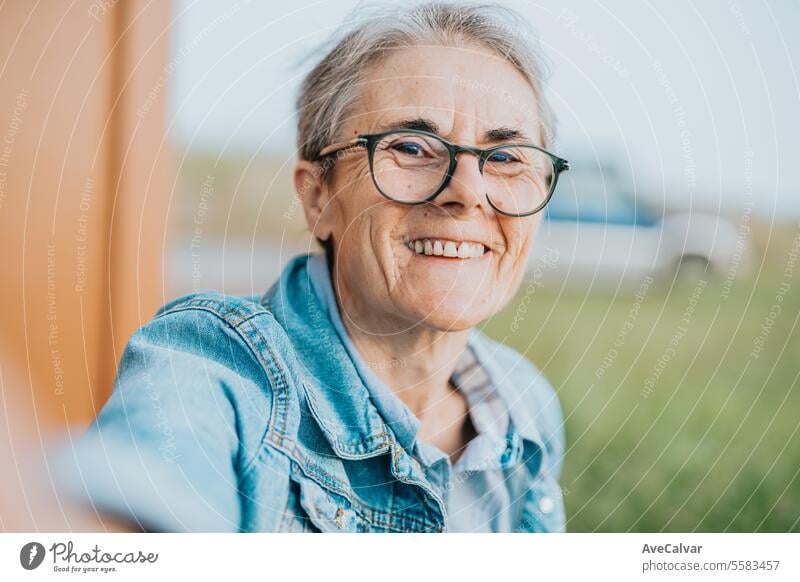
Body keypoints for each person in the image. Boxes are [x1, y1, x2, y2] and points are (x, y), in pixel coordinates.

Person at [50, 1, 570, 533]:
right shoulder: (219, 368)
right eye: (412, 148)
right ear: (319, 196)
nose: (467, 193)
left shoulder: (521, 405)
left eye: (507, 158)